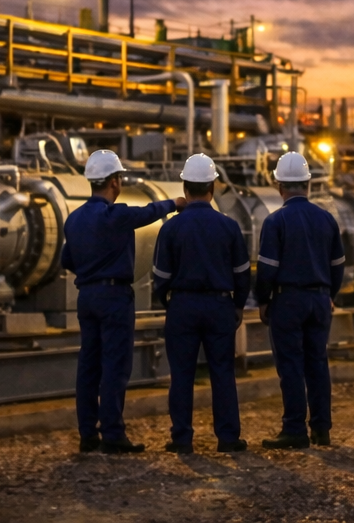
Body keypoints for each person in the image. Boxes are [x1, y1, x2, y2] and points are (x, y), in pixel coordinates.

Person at [62, 149, 185, 454]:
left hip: (87, 296)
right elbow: (146, 213)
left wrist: (91, 273)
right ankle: (113, 434)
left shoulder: (74, 220)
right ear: (115, 182)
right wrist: (175, 204)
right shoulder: (115, 216)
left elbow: (67, 259)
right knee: (115, 366)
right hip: (114, 297)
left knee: (89, 366)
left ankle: (88, 434)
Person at [152, 153, 251, 454]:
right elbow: (242, 273)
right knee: (222, 372)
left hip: (183, 306)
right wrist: (238, 305)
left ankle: (182, 439)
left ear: (184, 187)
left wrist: (169, 302)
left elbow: (160, 275)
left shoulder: (171, 228)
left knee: (181, 374)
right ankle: (228, 438)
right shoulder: (229, 227)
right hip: (219, 306)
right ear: (212, 186)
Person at [255, 151, 345, 449]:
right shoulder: (327, 220)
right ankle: (322, 429)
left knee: (291, 365)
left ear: (279, 186)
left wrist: (263, 300)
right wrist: (329, 295)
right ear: (308, 184)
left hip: (288, 301)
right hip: (319, 300)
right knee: (318, 363)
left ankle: (294, 429)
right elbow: (338, 265)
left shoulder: (275, 221)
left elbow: (267, 268)